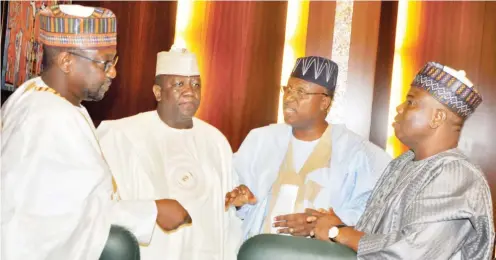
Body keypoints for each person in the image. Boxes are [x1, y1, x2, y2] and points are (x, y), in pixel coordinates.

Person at [1, 5, 190, 260]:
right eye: (105, 63)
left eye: (114, 61)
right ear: (66, 61)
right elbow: (59, 222)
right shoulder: (50, 118)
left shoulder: (41, 94)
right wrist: (152, 211)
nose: (113, 72)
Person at [310, 61, 495, 259]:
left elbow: (413, 252)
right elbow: (384, 237)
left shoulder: (457, 175)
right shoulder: (403, 162)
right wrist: (334, 226)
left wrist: (339, 232)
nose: (399, 108)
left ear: (437, 117)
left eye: (410, 102)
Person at [96, 47, 242, 260]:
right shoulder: (120, 136)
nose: (190, 91)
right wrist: (152, 211)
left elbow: (227, 216)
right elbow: (99, 208)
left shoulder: (215, 141)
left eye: (195, 84)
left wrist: (237, 198)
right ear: (157, 92)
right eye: (178, 84)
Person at [225, 56, 391, 240]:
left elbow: (373, 213)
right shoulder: (261, 140)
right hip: (261, 252)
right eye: (288, 89)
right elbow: (243, 212)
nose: (289, 98)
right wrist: (242, 203)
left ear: (324, 102)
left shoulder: (356, 152)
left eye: (301, 92)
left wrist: (324, 224)